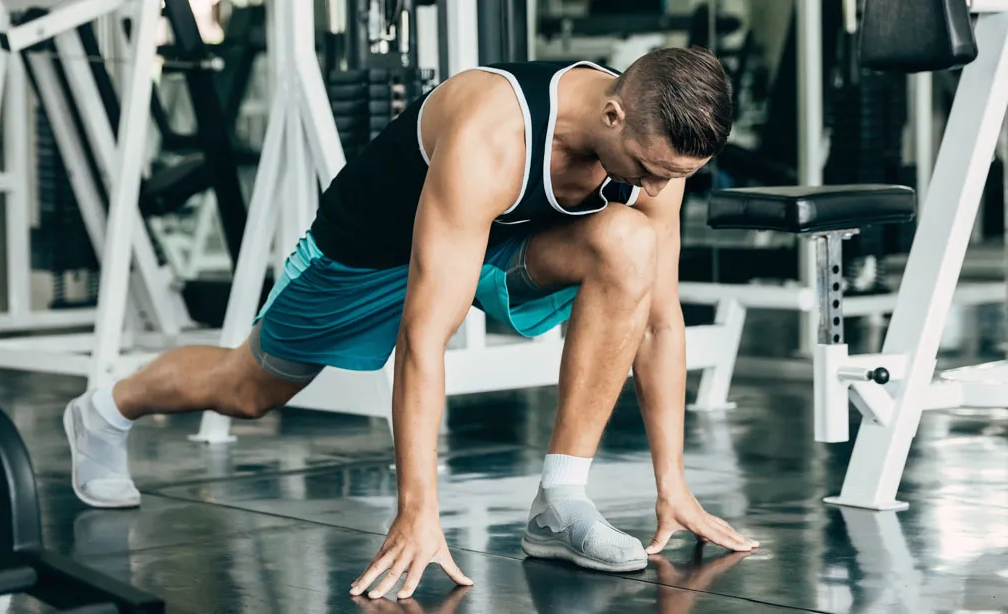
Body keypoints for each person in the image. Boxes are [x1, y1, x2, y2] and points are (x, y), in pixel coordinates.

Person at [62, 46, 759, 600]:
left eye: (674, 176)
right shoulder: (494, 134)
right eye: (648, 170)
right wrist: (416, 508)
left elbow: (660, 323)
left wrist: (672, 483)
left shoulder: (655, 154)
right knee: (249, 389)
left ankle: (560, 502)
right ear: (611, 116)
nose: (657, 190)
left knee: (629, 243)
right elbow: (424, 337)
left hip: (499, 245)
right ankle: (104, 411)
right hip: (367, 255)